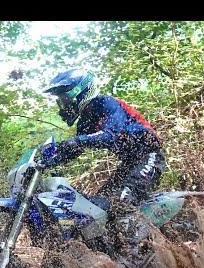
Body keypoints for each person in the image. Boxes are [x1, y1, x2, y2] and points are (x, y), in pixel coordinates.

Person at [40, 68, 166, 208]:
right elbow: (75, 150)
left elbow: (111, 134)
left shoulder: (106, 103)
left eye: (65, 100)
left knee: (120, 202)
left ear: (80, 93)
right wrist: (45, 163)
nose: (63, 106)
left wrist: (75, 141)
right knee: (98, 207)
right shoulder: (85, 120)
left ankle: (141, 229)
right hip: (130, 164)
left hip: (150, 157)